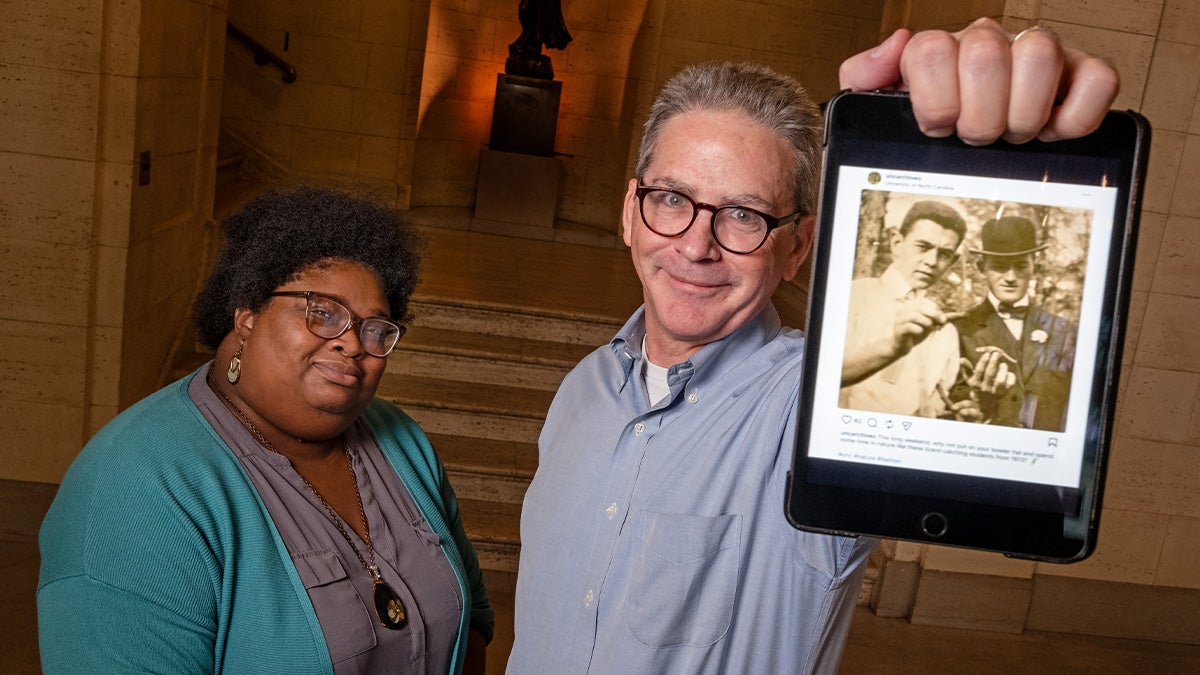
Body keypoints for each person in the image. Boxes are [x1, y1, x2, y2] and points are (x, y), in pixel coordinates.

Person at [508, 19, 1118, 674]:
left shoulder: (817, 412)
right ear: (631, 210)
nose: (694, 244)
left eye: (743, 214)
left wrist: (1002, 125)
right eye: (671, 198)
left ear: (796, 247)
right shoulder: (584, 388)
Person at [38, 187, 493, 674]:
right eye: (321, 312)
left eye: (375, 327)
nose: (351, 344)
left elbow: (475, 622)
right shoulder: (138, 487)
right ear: (248, 314)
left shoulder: (401, 439)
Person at [839, 200, 973, 418]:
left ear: (953, 260)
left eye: (944, 254)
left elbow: (937, 405)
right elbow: (817, 377)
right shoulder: (852, 297)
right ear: (896, 242)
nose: (931, 261)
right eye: (923, 247)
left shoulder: (946, 333)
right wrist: (893, 347)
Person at [953, 216, 1077, 430]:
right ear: (982, 268)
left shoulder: (1064, 332)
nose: (1010, 277)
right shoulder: (959, 329)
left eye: (1020, 266)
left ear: (1035, 269)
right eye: (1000, 266)